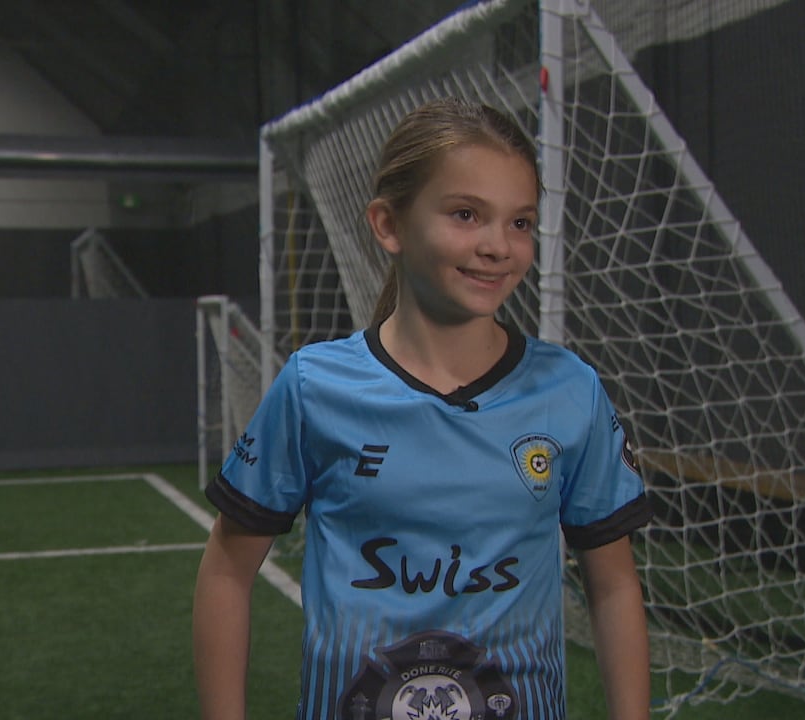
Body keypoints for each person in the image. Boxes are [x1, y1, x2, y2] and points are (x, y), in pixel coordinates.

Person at [193, 97, 653, 720]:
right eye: (467, 214)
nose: (498, 246)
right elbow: (226, 572)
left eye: (520, 222)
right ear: (388, 225)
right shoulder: (315, 386)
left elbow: (615, 584)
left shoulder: (568, 391)